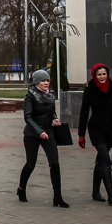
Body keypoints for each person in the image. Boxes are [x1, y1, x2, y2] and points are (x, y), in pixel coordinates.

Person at [77, 63, 112, 205]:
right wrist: (81, 135)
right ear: (94, 76)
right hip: (96, 128)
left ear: (108, 74)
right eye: (99, 74)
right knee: (105, 157)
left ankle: (95, 192)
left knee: (101, 159)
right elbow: (84, 112)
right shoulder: (89, 90)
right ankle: (111, 195)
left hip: (110, 129)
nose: (102, 77)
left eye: (104, 74)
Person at [18, 69, 69, 208]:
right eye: (43, 81)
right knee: (31, 164)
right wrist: (39, 131)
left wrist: (55, 119)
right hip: (32, 135)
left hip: (49, 133)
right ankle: (21, 189)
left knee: (55, 164)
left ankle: (58, 197)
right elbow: (27, 117)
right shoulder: (30, 97)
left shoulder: (51, 94)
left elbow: (52, 112)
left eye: (47, 80)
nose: (46, 83)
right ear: (36, 83)